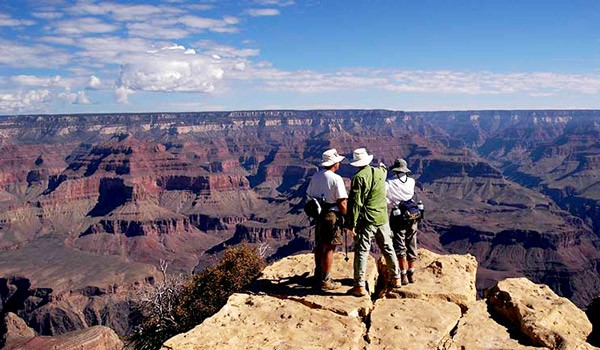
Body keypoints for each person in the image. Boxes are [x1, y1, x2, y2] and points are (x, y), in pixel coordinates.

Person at [345, 148, 401, 297]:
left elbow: (356, 203)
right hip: (382, 218)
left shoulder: (358, 178)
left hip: (367, 220)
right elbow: (383, 169)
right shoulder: (380, 173)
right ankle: (396, 278)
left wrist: (351, 224)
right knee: (388, 247)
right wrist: (382, 165)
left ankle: (359, 286)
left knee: (362, 251)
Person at [306, 148, 348, 291]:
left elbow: (309, 195)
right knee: (329, 247)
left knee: (319, 245)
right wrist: (346, 217)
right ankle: (325, 280)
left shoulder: (316, 176)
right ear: (334, 163)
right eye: (338, 162)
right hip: (331, 215)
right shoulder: (336, 179)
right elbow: (342, 202)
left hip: (318, 215)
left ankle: (317, 275)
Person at [386, 158, 419, 284]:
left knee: (399, 243)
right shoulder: (411, 181)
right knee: (411, 242)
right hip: (412, 215)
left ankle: (403, 275)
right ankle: (412, 273)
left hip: (398, 215)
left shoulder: (389, 182)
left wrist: (392, 201)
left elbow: (387, 199)